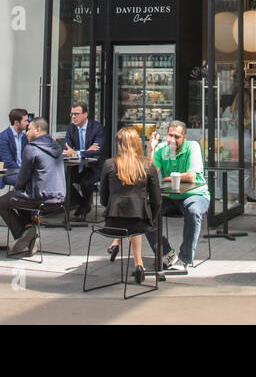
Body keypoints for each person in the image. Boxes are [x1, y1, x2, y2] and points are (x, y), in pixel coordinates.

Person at [144, 121, 209, 271]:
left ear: (184, 138)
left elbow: (191, 176)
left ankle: (185, 258)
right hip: (171, 196)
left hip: (195, 194)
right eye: (170, 136)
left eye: (177, 136)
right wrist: (151, 150)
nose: (172, 140)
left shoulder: (192, 147)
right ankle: (166, 253)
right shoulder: (162, 149)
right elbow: (152, 174)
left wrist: (168, 178)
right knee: (147, 210)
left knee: (193, 211)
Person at [100, 126, 162, 284]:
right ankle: (138, 264)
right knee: (135, 220)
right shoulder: (147, 166)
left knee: (128, 219)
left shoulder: (109, 165)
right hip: (139, 222)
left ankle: (117, 244)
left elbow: (103, 199)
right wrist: (150, 218)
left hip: (113, 222)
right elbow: (156, 200)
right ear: (137, 143)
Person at [0, 116, 65, 256]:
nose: (26, 133)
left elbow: (23, 176)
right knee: (18, 197)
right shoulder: (56, 147)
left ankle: (24, 235)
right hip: (60, 198)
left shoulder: (31, 148)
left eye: (29, 129)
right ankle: (28, 230)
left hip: (39, 198)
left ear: (38, 130)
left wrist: (17, 187)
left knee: (1, 203)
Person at [64, 101, 106, 219]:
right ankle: (83, 204)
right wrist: (86, 151)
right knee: (63, 180)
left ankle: (83, 208)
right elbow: (66, 148)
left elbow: (97, 150)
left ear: (85, 114)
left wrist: (77, 153)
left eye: (77, 114)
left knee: (86, 183)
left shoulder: (97, 128)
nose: (73, 117)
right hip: (77, 166)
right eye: (72, 114)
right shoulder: (71, 128)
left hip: (94, 167)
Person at [0, 108, 30, 189]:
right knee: (28, 181)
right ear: (16, 122)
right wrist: (23, 172)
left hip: (21, 171)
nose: (28, 123)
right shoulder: (3, 138)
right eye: (25, 121)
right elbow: (8, 162)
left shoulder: (24, 137)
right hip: (8, 172)